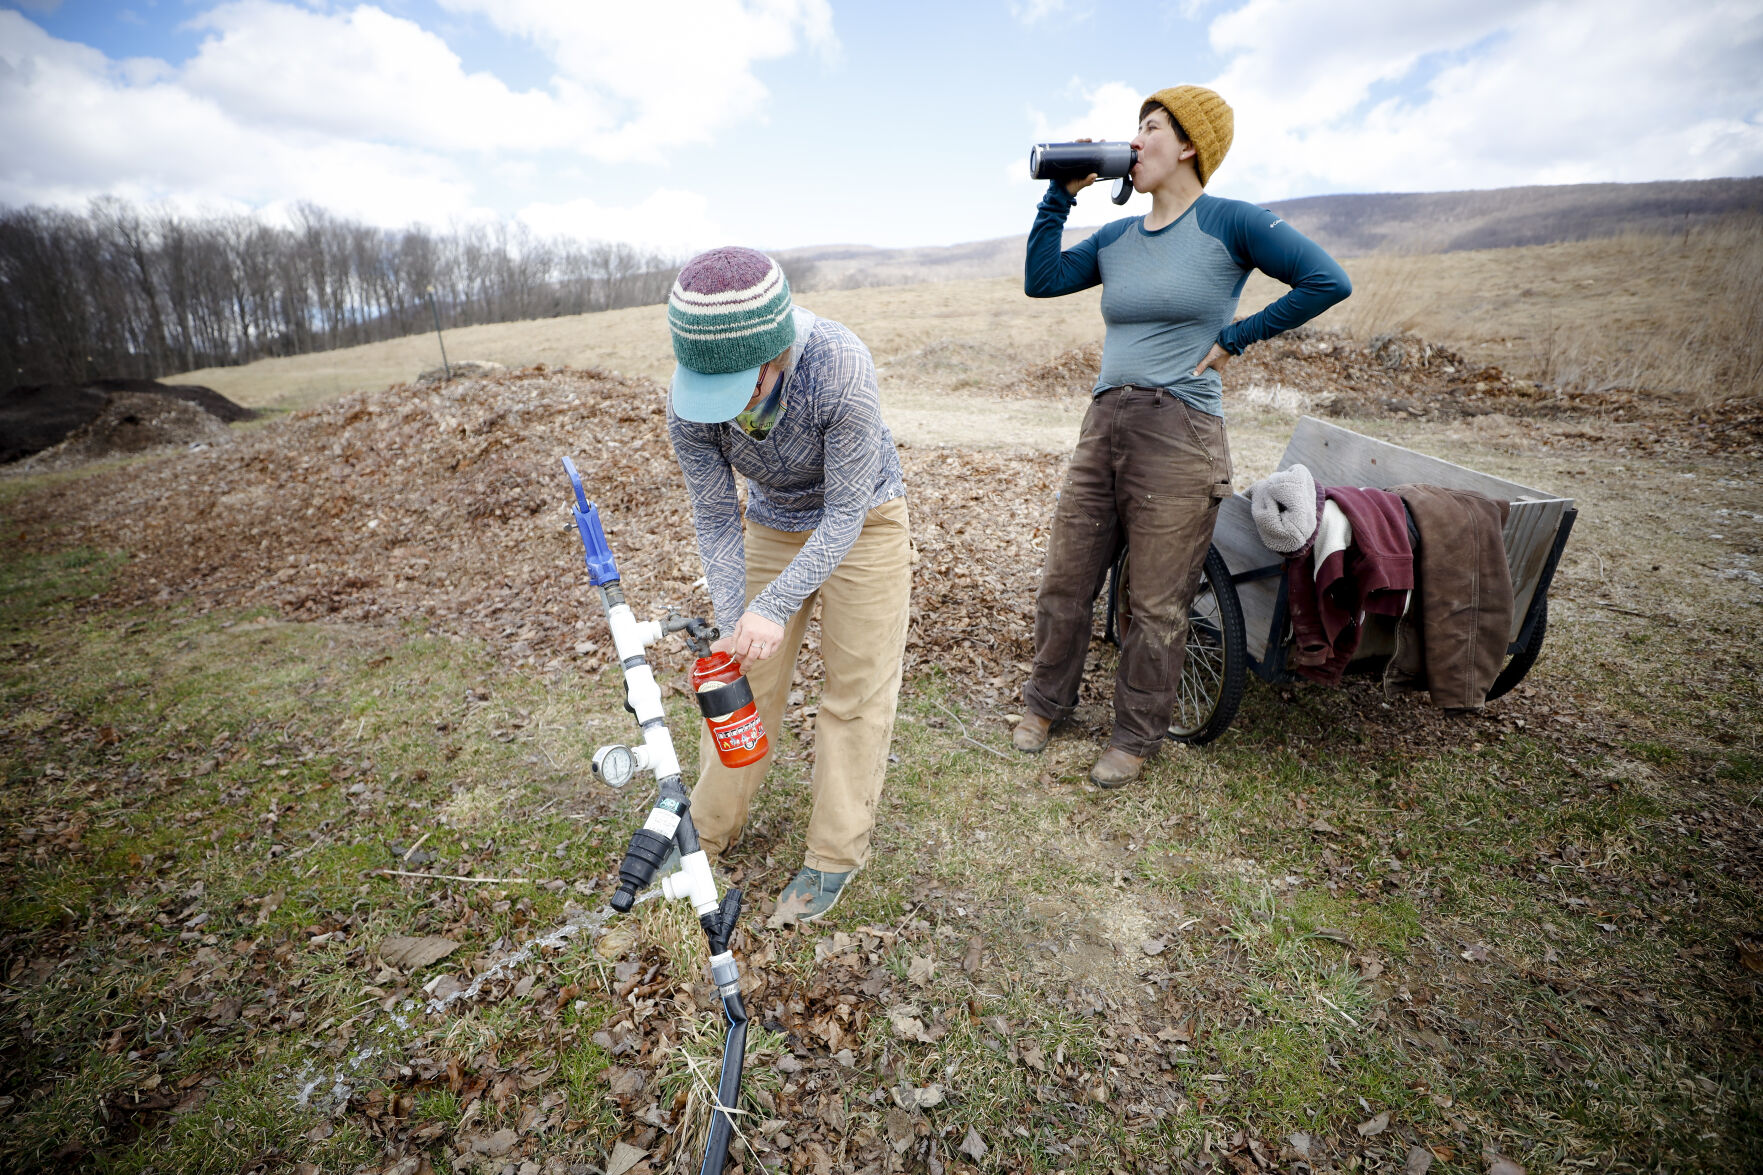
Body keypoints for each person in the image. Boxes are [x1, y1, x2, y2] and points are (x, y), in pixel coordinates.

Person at [1013, 84, 1351, 786]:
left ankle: (1135, 736)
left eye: (1150, 127)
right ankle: (1046, 703)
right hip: (1104, 422)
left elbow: (1327, 279)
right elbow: (1040, 280)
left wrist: (1238, 336)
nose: (1134, 140)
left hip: (1180, 429)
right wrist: (1061, 195)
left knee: (1157, 600)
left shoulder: (1229, 222)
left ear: (1189, 144)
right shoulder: (1117, 238)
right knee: (1064, 580)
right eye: (1134, 126)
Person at [665, 246, 911, 922]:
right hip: (773, 522)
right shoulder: (689, 400)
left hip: (863, 518)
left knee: (854, 688)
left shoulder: (839, 366)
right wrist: (733, 614)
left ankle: (833, 853)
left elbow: (844, 512)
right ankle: (706, 830)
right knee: (744, 678)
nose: (720, 404)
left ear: (774, 353)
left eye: (738, 383)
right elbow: (717, 516)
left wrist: (771, 605)